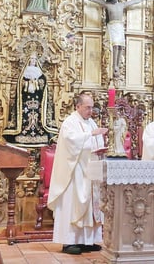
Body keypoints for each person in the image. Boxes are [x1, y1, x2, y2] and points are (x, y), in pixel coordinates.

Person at [47, 93, 109, 255]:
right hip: (74, 173)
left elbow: (96, 142)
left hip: (89, 171)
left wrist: (99, 146)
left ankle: (87, 241)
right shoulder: (70, 122)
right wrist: (91, 135)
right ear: (78, 106)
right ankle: (69, 242)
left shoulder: (91, 122)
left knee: (89, 206)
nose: (91, 111)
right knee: (72, 204)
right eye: (87, 107)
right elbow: (71, 142)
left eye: (92, 107)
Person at [71, 0, 154, 78]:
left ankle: (118, 65)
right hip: (112, 26)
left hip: (119, 27)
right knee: (115, 45)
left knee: (121, 46)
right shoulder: (107, 5)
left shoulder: (121, 5)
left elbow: (135, 1)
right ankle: (114, 65)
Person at [3, 51, 58, 146]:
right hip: (26, 102)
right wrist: (28, 84)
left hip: (38, 101)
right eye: (31, 59)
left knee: (38, 117)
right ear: (28, 60)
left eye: (34, 59)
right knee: (25, 116)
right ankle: (23, 135)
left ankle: (40, 135)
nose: (33, 61)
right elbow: (20, 85)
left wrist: (36, 83)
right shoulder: (24, 73)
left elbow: (43, 85)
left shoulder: (40, 73)